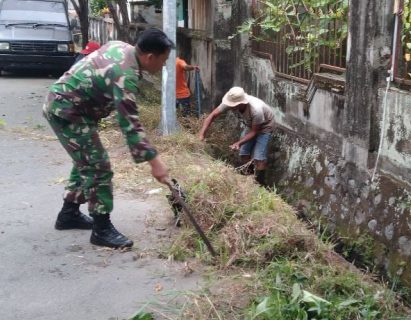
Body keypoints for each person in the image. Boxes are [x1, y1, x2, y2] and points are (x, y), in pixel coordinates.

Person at [43, 28, 173, 249]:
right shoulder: (125, 75)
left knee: (86, 160)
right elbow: (130, 124)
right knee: (98, 166)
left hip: (72, 107)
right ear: (150, 57)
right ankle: (101, 229)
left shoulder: (120, 47)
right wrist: (155, 162)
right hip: (67, 111)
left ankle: (69, 214)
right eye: (163, 61)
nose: (163, 66)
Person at [198, 87, 274, 185]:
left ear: (241, 103)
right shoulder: (230, 102)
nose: (230, 107)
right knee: (243, 153)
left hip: (265, 126)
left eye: (233, 105)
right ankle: (249, 178)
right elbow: (212, 116)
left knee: (259, 157)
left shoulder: (256, 109)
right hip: (250, 124)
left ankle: (260, 185)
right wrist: (201, 134)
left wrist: (238, 143)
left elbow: (255, 132)